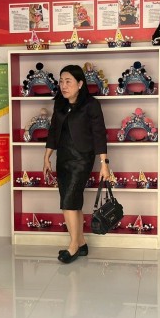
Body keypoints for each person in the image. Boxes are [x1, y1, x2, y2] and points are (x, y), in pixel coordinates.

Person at [43, 65, 109, 264]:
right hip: (63, 157)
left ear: (80, 84)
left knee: (69, 201)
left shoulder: (91, 105)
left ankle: (72, 246)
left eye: (68, 81)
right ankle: (81, 243)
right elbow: (53, 131)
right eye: (61, 81)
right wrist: (47, 157)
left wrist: (104, 164)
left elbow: (99, 134)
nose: (63, 86)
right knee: (72, 201)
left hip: (82, 158)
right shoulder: (60, 104)